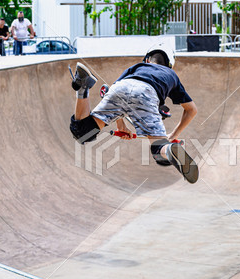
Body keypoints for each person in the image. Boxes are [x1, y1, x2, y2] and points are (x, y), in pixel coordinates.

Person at [69, 43, 199, 183]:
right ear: (169, 64)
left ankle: (82, 87)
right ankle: (168, 149)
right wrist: (174, 135)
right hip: (147, 93)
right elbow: (191, 110)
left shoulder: (137, 67)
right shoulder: (170, 74)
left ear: (147, 59)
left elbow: (115, 93)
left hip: (120, 88)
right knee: (159, 150)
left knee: (82, 132)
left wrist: (121, 126)